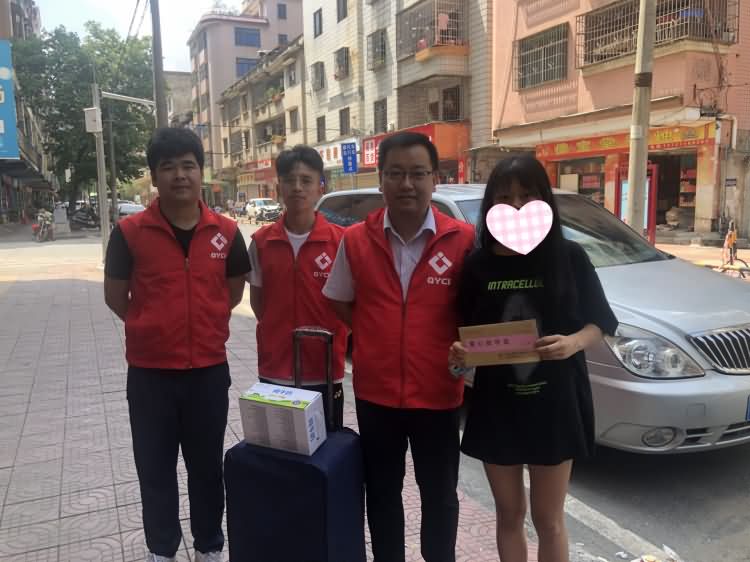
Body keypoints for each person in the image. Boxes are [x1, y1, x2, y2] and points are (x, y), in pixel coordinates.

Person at [449, 156, 617, 562]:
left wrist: (572, 343)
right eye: (505, 197)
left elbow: (601, 323)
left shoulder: (569, 257)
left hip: (555, 402)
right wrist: (461, 354)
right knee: (509, 514)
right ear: (491, 205)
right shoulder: (477, 266)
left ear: (544, 199)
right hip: (497, 405)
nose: (516, 205)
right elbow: (467, 333)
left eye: (526, 195)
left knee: (548, 519)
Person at [323, 132, 475, 562]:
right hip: (377, 394)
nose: (407, 184)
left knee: (440, 493)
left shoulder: (463, 239)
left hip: (439, 393)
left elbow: (477, 309)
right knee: (382, 491)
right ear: (381, 180)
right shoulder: (356, 239)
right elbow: (338, 298)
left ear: (434, 179)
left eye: (417, 174)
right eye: (395, 174)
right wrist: (375, 332)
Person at [103, 127, 250, 562]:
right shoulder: (129, 232)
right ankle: (162, 549)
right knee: (155, 468)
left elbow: (233, 291)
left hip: (207, 372)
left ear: (201, 172)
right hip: (150, 376)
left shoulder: (227, 232)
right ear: (154, 176)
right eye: (168, 167)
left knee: (207, 467)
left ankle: (209, 545)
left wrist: (203, 323)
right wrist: (153, 328)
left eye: (188, 165)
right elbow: (115, 296)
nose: (180, 175)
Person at [248, 145, 348, 424]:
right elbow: (258, 303)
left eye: (306, 180)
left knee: (327, 446)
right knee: (278, 445)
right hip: (275, 369)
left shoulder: (341, 242)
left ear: (320, 187)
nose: (297, 188)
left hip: (324, 369)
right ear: (279, 187)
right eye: (289, 180)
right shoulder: (261, 242)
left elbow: (351, 305)